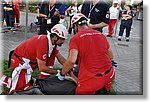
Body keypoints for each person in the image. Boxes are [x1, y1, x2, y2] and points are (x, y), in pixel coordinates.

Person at [59, 13, 115, 95]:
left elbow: (71, 61)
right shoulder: (101, 35)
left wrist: (62, 73)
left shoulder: (75, 38)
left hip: (93, 80)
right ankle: (107, 90)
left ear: (75, 26)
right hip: (110, 74)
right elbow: (111, 56)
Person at [9, 24, 68, 94]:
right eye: (62, 39)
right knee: (21, 89)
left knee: (50, 59)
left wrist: (69, 66)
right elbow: (42, 68)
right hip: (19, 61)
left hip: (28, 62)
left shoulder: (51, 43)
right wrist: (59, 72)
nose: (63, 42)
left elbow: (59, 56)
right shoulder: (43, 44)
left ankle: (43, 85)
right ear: (55, 37)